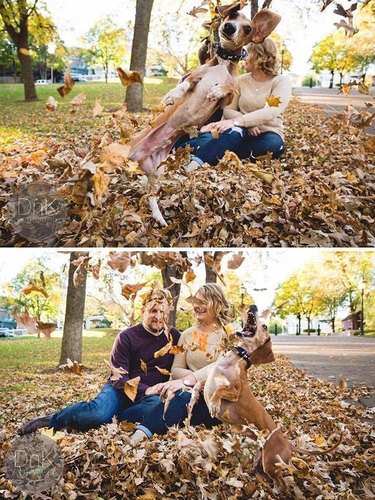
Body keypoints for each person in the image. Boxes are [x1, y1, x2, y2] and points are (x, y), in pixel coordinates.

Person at [20, 286, 180, 435]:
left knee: (157, 409)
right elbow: (119, 378)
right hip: (119, 391)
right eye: (153, 310)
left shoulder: (175, 337)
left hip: (152, 397)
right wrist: (145, 390)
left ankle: (113, 417)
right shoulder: (126, 337)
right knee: (97, 414)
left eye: (163, 311)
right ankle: (53, 420)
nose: (159, 316)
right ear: (143, 310)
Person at [122, 283, 233, 444]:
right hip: (189, 397)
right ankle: (130, 424)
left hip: (216, 402)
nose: (196, 306)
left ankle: (140, 432)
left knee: (178, 399)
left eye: (202, 302)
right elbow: (175, 369)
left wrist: (189, 380)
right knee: (167, 402)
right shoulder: (188, 335)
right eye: (195, 302)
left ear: (217, 303)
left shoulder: (229, 335)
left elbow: (221, 368)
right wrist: (189, 382)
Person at [174, 38, 292, 172]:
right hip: (239, 132)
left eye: (247, 53)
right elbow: (228, 109)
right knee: (235, 133)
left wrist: (241, 121)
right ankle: (193, 166)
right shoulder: (241, 81)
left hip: (268, 133)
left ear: (259, 56)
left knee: (273, 145)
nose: (243, 57)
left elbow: (271, 111)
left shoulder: (280, 82)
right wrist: (245, 124)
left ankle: (213, 150)